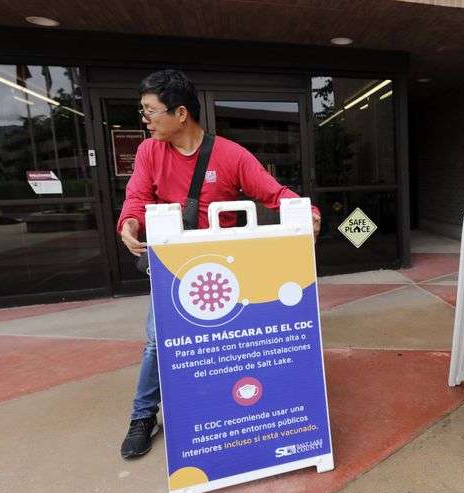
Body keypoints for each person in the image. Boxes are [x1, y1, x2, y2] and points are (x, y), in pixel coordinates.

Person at [118, 70, 320, 459]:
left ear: (180, 113)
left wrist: (307, 211)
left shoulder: (230, 154)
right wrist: (129, 221)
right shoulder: (149, 152)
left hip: (226, 267)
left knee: (234, 341)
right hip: (174, 267)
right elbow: (137, 196)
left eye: (150, 112)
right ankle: (143, 416)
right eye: (142, 112)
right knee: (159, 341)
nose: (145, 120)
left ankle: (239, 411)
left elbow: (273, 192)